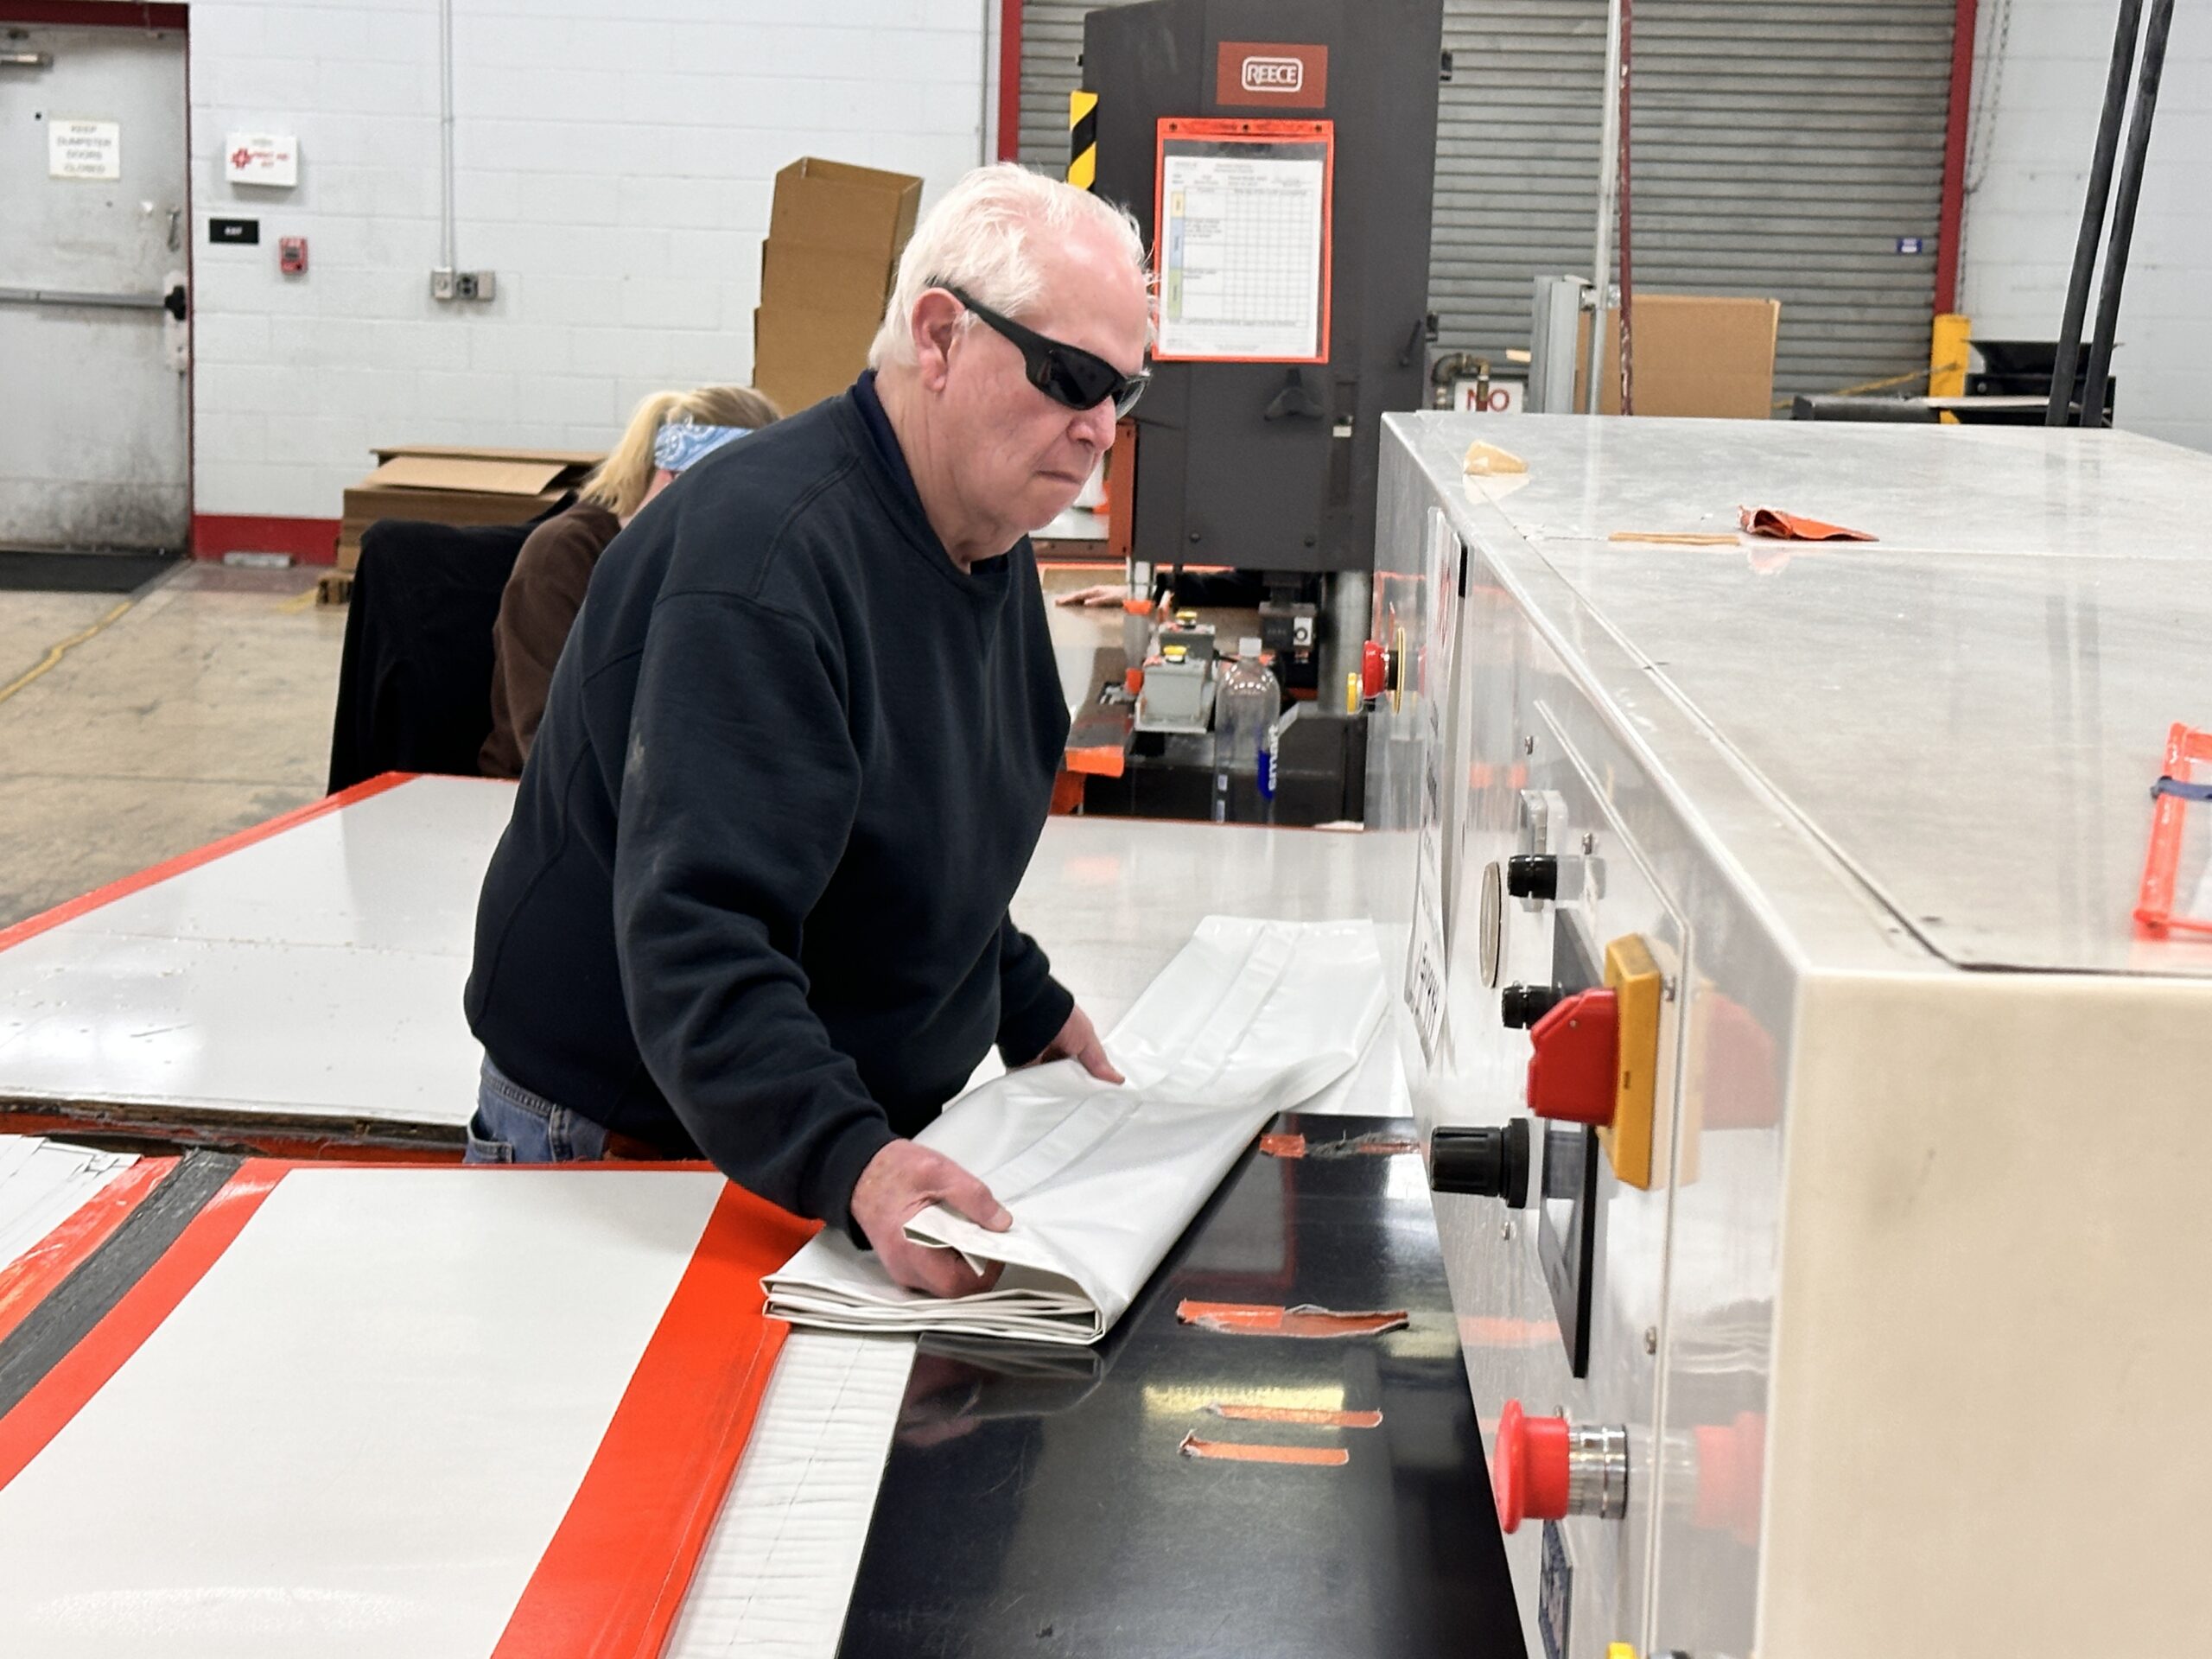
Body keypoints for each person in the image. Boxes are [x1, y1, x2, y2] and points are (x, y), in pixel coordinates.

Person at [463, 163, 1152, 1297]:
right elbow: (696, 930)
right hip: (639, 1145)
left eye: (1122, 394)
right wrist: (854, 1162)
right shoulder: (768, 560)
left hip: (793, 1128)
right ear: (938, 337)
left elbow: (908, 840)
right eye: (1072, 377)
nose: (1097, 431)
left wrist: (1026, 1004)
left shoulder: (975, 539)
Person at [479, 385, 780, 779]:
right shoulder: (563, 557)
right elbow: (550, 741)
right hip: (541, 798)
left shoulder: (727, 558)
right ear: (669, 481)